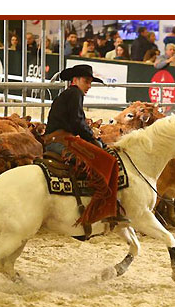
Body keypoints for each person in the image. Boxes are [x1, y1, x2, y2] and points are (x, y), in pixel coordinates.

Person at [43, 64, 127, 225]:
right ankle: (101, 203)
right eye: (86, 81)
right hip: (60, 141)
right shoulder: (75, 93)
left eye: (90, 82)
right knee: (106, 160)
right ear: (75, 80)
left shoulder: (69, 94)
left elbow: (76, 121)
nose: (89, 86)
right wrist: (92, 135)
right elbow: (77, 122)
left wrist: (89, 134)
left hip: (57, 138)